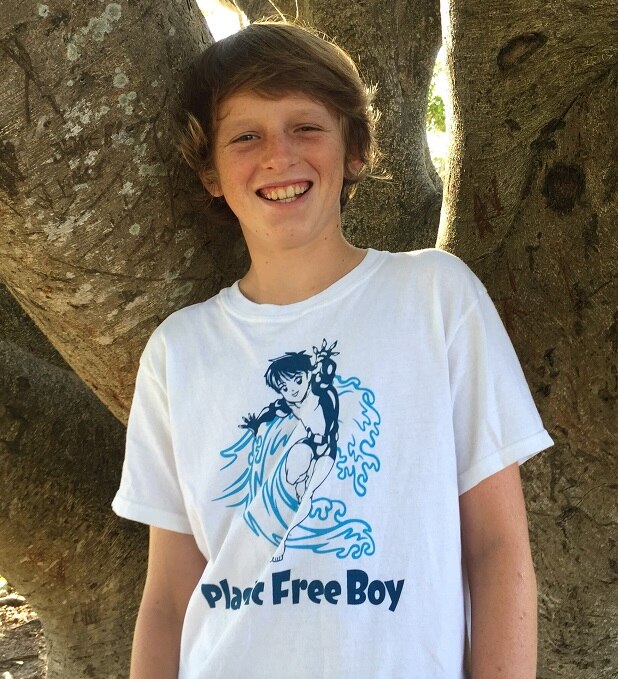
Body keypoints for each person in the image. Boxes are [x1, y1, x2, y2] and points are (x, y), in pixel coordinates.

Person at [112, 20, 553, 679]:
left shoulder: (436, 297)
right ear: (210, 172)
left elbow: (496, 548)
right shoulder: (178, 351)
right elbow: (171, 591)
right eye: (245, 135)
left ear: (354, 149)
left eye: (306, 126)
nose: (278, 154)